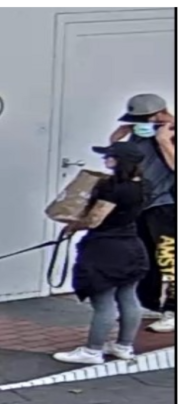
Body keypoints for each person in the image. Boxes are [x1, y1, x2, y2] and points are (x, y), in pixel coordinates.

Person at [54, 142, 149, 365]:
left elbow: (95, 219)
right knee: (128, 297)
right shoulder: (143, 186)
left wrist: (72, 226)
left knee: (103, 302)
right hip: (132, 247)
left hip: (105, 250)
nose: (106, 159)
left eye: (110, 156)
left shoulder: (112, 188)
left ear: (120, 161)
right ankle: (124, 346)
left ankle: (92, 351)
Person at [109, 94, 175, 333]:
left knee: (169, 259)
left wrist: (165, 142)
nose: (139, 124)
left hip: (167, 206)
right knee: (143, 256)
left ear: (158, 114)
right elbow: (120, 164)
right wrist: (116, 139)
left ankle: (174, 310)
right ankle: (148, 303)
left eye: (142, 119)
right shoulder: (138, 134)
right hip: (141, 205)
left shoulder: (173, 133)